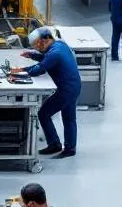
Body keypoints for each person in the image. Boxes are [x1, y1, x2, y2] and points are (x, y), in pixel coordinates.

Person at [10, 27, 80, 159]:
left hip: (66, 90)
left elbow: (40, 69)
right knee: (69, 118)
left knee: (43, 113)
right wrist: (32, 55)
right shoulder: (59, 45)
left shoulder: (55, 53)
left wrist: (20, 71)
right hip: (74, 86)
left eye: (38, 44)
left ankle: (55, 144)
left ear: (45, 40)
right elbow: (45, 57)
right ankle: (70, 148)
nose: (37, 47)